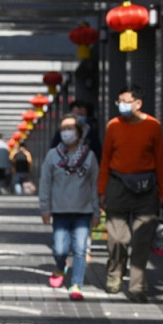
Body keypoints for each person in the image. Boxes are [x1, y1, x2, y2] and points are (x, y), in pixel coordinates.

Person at [98, 84, 163, 303]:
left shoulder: (153, 126)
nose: (122, 106)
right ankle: (114, 274)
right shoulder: (113, 126)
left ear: (138, 103)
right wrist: (102, 189)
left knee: (141, 240)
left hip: (147, 188)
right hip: (118, 185)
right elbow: (106, 159)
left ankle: (137, 287)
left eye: (126, 101)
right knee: (118, 238)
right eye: (120, 101)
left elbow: (160, 160)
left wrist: (162, 192)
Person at [39, 115, 100, 301]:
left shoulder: (89, 156)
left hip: (83, 211)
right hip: (60, 211)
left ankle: (76, 285)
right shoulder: (52, 156)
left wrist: (96, 212)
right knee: (60, 249)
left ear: (79, 132)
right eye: (63, 128)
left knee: (81, 249)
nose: (66, 132)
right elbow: (45, 183)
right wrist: (45, 208)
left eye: (70, 128)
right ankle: (60, 266)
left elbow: (94, 185)